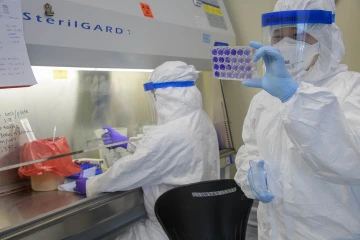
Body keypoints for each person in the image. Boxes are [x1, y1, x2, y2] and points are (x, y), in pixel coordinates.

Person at [235, 0, 360, 239]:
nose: (286, 44)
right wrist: (250, 172)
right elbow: (250, 149)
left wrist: (294, 97)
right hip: (273, 230)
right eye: (278, 35)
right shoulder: (263, 100)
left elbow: (353, 160)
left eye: (299, 35)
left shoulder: (351, 90)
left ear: (324, 37)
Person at [75, 61, 220, 239]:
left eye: (155, 95)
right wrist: (127, 142)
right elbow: (167, 152)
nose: (155, 101)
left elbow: (128, 171)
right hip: (199, 225)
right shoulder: (201, 120)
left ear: (168, 96)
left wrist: (92, 184)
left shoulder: (167, 134)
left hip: (168, 230)